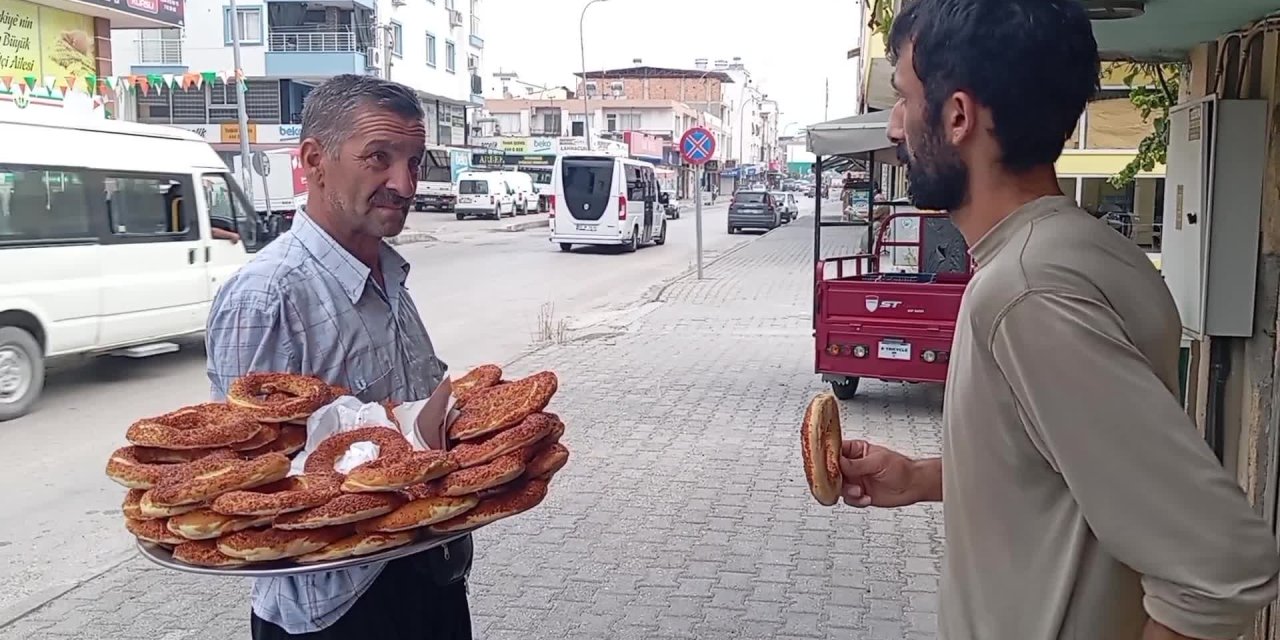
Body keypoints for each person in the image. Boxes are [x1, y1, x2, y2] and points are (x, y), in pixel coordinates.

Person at [837, 1, 1280, 639]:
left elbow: (1219, 568)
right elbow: (1085, 469)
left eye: (904, 99)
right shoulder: (1084, 249)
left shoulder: (1025, 289)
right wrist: (923, 478)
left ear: (958, 116)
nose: (896, 127)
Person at [204, 74, 474, 639]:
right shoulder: (268, 296)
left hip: (430, 574)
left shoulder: (390, 276)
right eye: (379, 157)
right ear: (313, 160)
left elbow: (413, 422)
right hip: (334, 608)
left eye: (414, 160)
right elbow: (244, 477)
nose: (403, 182)